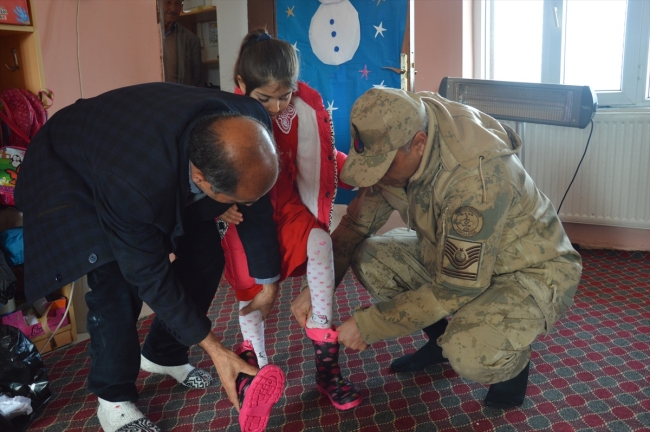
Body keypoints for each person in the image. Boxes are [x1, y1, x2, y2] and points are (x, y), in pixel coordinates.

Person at [14, 83, 286, 432]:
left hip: (145, 154)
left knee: (205, 255)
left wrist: (267, 283)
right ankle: (113, 400)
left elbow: (256, 202)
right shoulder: (132, 183)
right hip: (67, 168)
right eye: (238, 200)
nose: (249, 205)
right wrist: (216, 350)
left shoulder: (253, 122)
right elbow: (148, 273)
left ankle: (162, 354)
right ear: (202, 180)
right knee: (116, 279)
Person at [299, 87, 583, 409]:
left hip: (528, 269)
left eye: (383, 165)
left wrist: (369, 325)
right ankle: (437, 342)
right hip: (456, 256)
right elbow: (354, 227)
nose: (376, 176)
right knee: (370, 258)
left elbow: (455, 288)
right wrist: (317, 289)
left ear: (419, 145)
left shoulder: (477, 179)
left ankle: (510, 368)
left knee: (468, 350)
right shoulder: (401, 132)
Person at [217, 30, 362, 411]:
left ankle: (326, 361)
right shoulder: (224, 116)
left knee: (321, 243)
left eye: (285, 95)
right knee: (254, 293)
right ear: (241, 85)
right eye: (265, 98)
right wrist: (217, 206)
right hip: (247, 216)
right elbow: (203, 172)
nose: (278, 106)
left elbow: (321, 158)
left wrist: (357, 170)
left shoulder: (296, 112)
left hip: (287, 207)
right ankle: (257, 368)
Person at [161, 0, 202, 86]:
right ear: (158, 5)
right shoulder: (145, 35)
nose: (173, 9)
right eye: (168, 2)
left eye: (177, 4)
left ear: (181, 7)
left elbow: (196, 80)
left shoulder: (192, 40)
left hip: (179, 97)